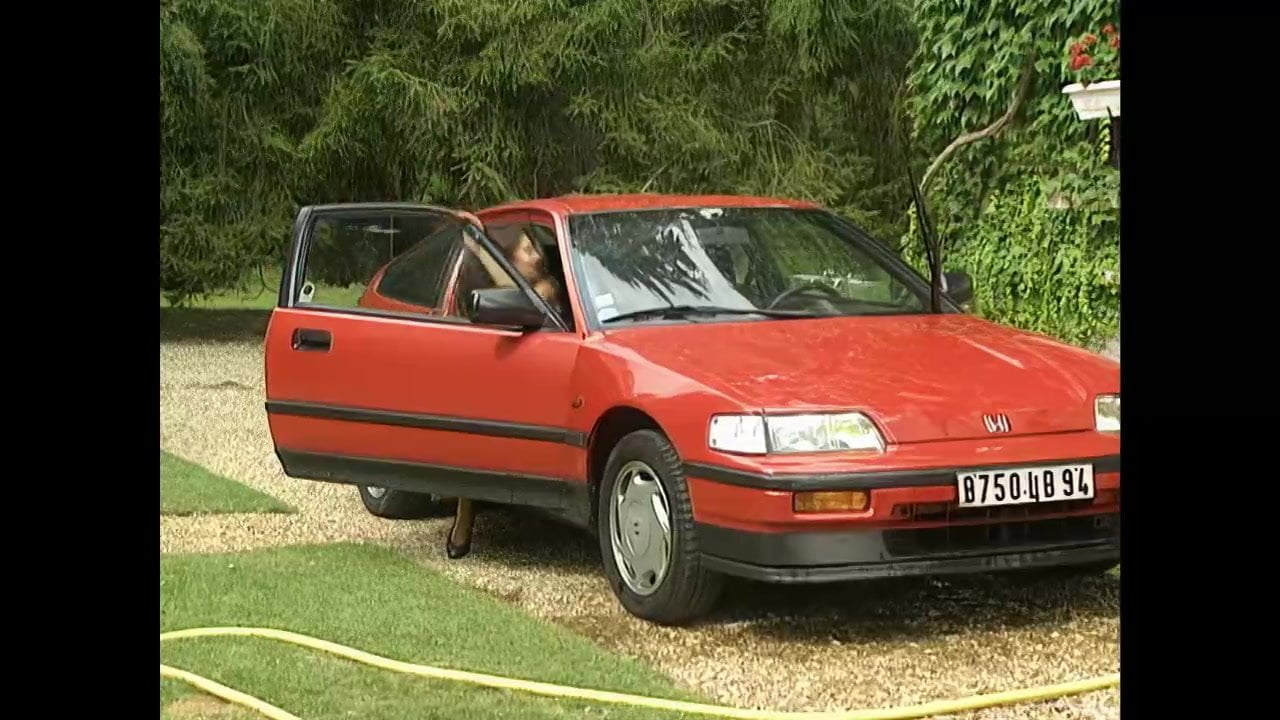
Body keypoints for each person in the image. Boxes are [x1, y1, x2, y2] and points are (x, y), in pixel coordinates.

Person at [445, 226, 563, 560]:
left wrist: (482, 250)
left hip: (545, 385)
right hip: (508, 385)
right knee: (471, 430)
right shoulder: (490, 298)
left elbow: (520, 296)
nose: (537, 257)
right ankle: (464, 514)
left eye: (537, 250)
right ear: (510, 257)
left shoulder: (548, 287)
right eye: (528, 250)